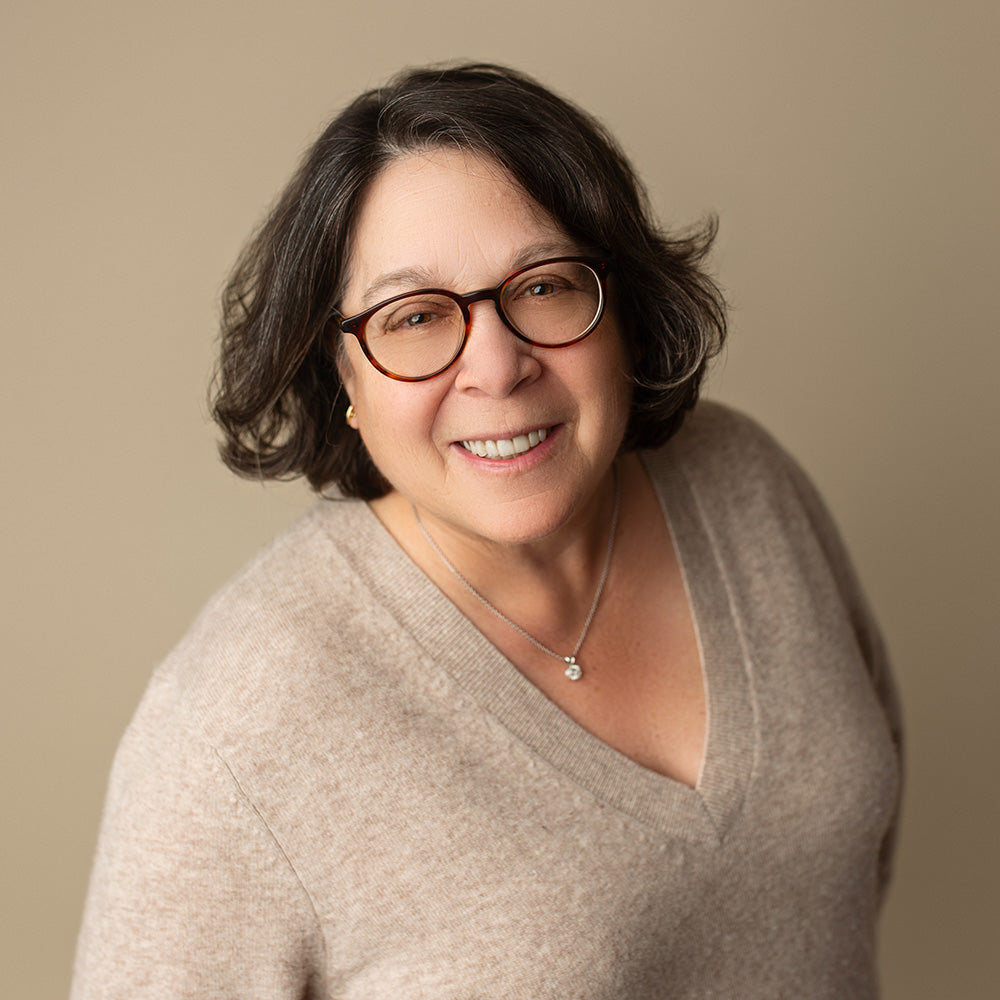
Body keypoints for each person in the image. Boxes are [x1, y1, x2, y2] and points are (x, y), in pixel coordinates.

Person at [72, 63, 902, 998]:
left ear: (620, 307)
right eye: (415, 316)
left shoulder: (745, 485)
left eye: (543, 287)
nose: (498, 366)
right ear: (340, 377)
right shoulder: (234, 723)